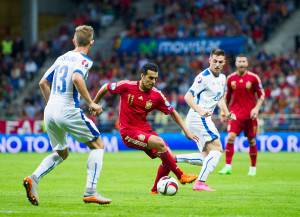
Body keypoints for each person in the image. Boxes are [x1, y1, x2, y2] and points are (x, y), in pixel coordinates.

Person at [23, 25, 112, 206]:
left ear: (74, 40)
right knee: (98, 145)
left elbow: (42, 83)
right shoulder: (85, 60)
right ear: (92, 43)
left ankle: (34, 179)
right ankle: (90, 191)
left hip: (50, 111)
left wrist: (52, 106)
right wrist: (91, 103)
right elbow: (77, 79)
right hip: (67, 109)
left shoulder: (61, 58)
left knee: (61, 153)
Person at [93, 62, 199, 194]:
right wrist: (94, 103)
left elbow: (173, 112)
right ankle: (181, 175)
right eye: (150, 78)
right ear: (142, 76)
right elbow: (105, 87)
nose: (153, 81)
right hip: (128, 132)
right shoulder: (126, 86)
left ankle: (154, 190)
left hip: (145, 129)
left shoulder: (157, 95)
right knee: (161, 145)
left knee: (168, 156)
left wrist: (186, 130)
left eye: (155, 78)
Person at [175, 48, 235, 191]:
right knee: (217, 150)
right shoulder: (203, 77)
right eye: (214, 61)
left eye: (220, 62)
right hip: (198, 117)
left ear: (224, 62)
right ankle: (200, 183)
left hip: (203, 119)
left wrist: (226, 112)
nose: (217, 64)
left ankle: (174, 159)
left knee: (207, 155)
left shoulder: (222, 78)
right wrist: (200, 110)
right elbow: (187, 97)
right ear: (209, 60)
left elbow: (219, 98)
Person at [218, 54, 264, 176]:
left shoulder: (254, 78)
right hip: (235, 114)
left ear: (247, 63)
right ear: (236, 63)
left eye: (244, 61)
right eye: (239, 61)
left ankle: (253, 168)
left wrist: (256, 108)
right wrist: (223, 111)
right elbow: (226, 97)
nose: (242, 63)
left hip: (250, 115)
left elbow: (261, 95)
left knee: (252, 141)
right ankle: (228, 166)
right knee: (231, 137)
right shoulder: (230, 78)